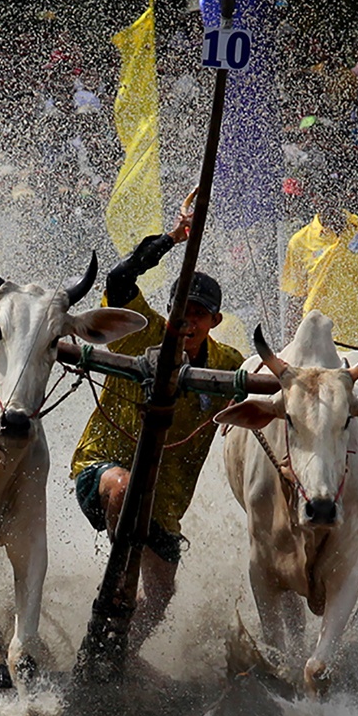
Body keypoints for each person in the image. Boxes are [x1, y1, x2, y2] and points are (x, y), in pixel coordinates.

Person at [67, 205, 227, 656]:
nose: (188, 322)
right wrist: (173, 238)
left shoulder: (229, 365)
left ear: (215, 321)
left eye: (199, 315)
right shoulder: (139, 331)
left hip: (166, 503)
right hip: (103, 468)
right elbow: (118, 282)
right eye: (181, 310)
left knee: (161, 598)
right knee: (122, 489)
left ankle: (120, 655)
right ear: (169, 310)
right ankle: (118, 580)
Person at [281, 176, 358, 346]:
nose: (329, 201)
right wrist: (288, 347)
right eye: (322, 196)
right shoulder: (299, 242)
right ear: (314, 199)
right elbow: (295, 299)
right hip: (316, 341)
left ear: (345, 196)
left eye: (334, 195)